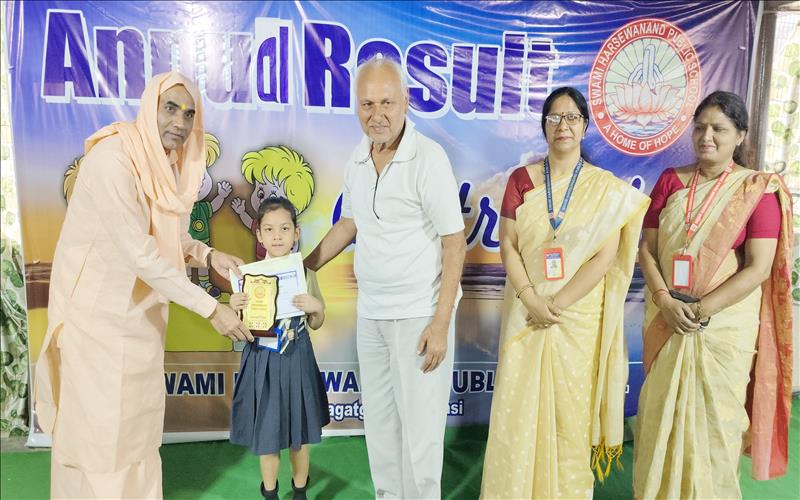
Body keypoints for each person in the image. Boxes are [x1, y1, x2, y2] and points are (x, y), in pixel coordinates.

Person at [34, 71, 253, 499]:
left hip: (139, 318)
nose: (180, 122)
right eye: (170, 108)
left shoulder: (166, 163)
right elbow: (141, 253)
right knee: (99, 438)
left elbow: (167, 236)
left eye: (189, 114)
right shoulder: (113, 160)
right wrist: (213, 309)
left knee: (137, 432)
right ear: (149, 107)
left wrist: (208, 255)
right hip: (95, 322)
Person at [304, 56, 466, 499]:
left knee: (421, 432)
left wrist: (440, 322)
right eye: (367, 104)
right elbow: (350, 223)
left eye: (387, 103)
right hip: (372, 314)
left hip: (419, 315)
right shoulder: (358, 158)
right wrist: (304, 266)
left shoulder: (428, 158)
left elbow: (455, 243)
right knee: (379, 424)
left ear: (406, 101)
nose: (377, 115)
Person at [480, 87, 650, 499]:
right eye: (554, 117)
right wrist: (531, 298)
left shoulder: (603, 188)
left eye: (572, 117)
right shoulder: (522, 180)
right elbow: (508, 244)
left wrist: (556, 303)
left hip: (576, 317)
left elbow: (604, 257)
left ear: (585, 126)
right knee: (518, 410)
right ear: (544, 126)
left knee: (570, 415)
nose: (563, 125)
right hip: (526, 309)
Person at [633, 91, 793, 499]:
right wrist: (666, 301)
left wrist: (700, 310)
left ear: (740, 135)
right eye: (700, 127)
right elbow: (647, 249)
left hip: (720, 330)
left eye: (719, 129)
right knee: (659, 416)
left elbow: (758, 267)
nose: (707, 136)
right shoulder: (670, 180)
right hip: (667, 318)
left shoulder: (756, 190)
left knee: (716, 424)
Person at [229, 197, 330, 500]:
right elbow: (239, 329)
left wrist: (316, 308)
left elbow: (316, 323)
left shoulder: (306, 274)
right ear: (258, 234)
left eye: (285, 228)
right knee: (268, 433)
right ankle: (270, 493)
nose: (277, 236)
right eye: (269, 229)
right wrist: (234, 306)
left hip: (297, 355)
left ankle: (300, 492)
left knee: (300, 434)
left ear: (296, 233)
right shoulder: (246, 277)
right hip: (262, 358)